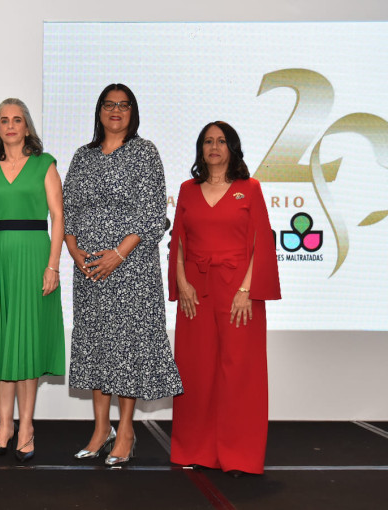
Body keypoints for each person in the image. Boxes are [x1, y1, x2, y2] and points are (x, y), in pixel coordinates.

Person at [63, 83, 183, 466]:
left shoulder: (145, 152)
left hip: (131, 269)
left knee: (127, 348)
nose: (116, 111)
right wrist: (74, 250)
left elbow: (152, 214)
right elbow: (68, 209)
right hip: (89, 270)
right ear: (99, 112)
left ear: (133, 112)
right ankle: (101, 429)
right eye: (109, 105)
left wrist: (118, 253)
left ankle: (126, 429)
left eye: (124, 105)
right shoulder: (83, 157)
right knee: (98, 345)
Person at [168, 121, 281, 476]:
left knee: (239, 374)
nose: (214, 147)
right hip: (195, 294)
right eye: (207, 141)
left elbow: (261, 241)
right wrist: (182, 282)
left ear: (232, 148)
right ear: (200, 149)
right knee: (196, 370)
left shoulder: (250, 188)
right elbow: (180, 241)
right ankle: (195, 449)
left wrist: (247, 290)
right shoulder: (187, 189)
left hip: (239, 294)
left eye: (221, 141)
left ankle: (239, 455)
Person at [0, 98, 65, 462]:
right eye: (4, 120)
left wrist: (53, 265)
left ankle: (26, 428)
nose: (10, 125)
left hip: (34, 258)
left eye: (17, 119)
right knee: (2, 345)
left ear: (26, 127)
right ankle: (4, 426)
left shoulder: (45, 164)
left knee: (26, 345)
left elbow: (58, 217)